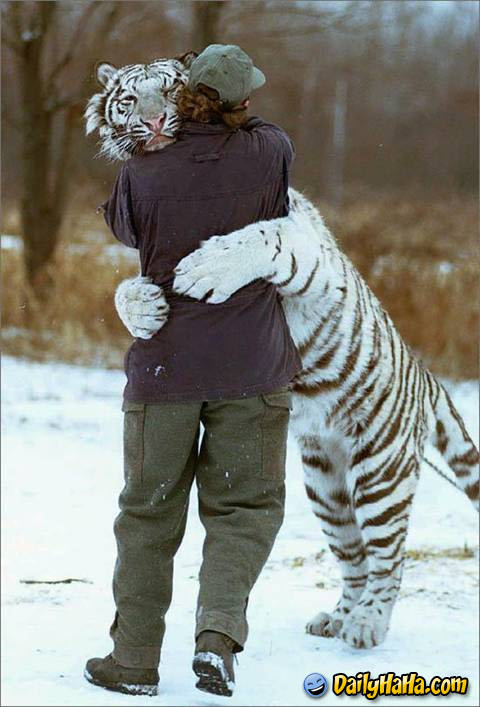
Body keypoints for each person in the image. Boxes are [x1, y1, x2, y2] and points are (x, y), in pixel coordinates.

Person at [84, 44, 301, 698]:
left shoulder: (142, 173)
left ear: (180, 97)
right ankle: (217, 635)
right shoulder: (271, 151)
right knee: (245, 508)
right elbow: (278, 192)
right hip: (253, 367)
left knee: (148, 512)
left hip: (165, 369)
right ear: (241, 100)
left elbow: (124, 231)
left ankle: (133, 660)